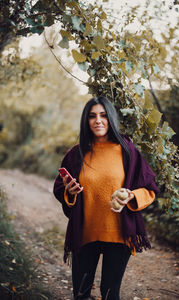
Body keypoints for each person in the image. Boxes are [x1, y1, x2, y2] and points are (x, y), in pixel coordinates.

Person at [53, 96, 159, 300]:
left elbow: (149, 188)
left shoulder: (128, 151)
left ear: (111, 118)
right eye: (92, 116)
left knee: (110, 294)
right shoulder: (77, 153)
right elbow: (60, 187)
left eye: (103, 115)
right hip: (85, 233)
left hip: (119, 236)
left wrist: (131, 196)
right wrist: (70, 192)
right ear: (86, 121)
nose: (98, 120)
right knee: (81, 293)